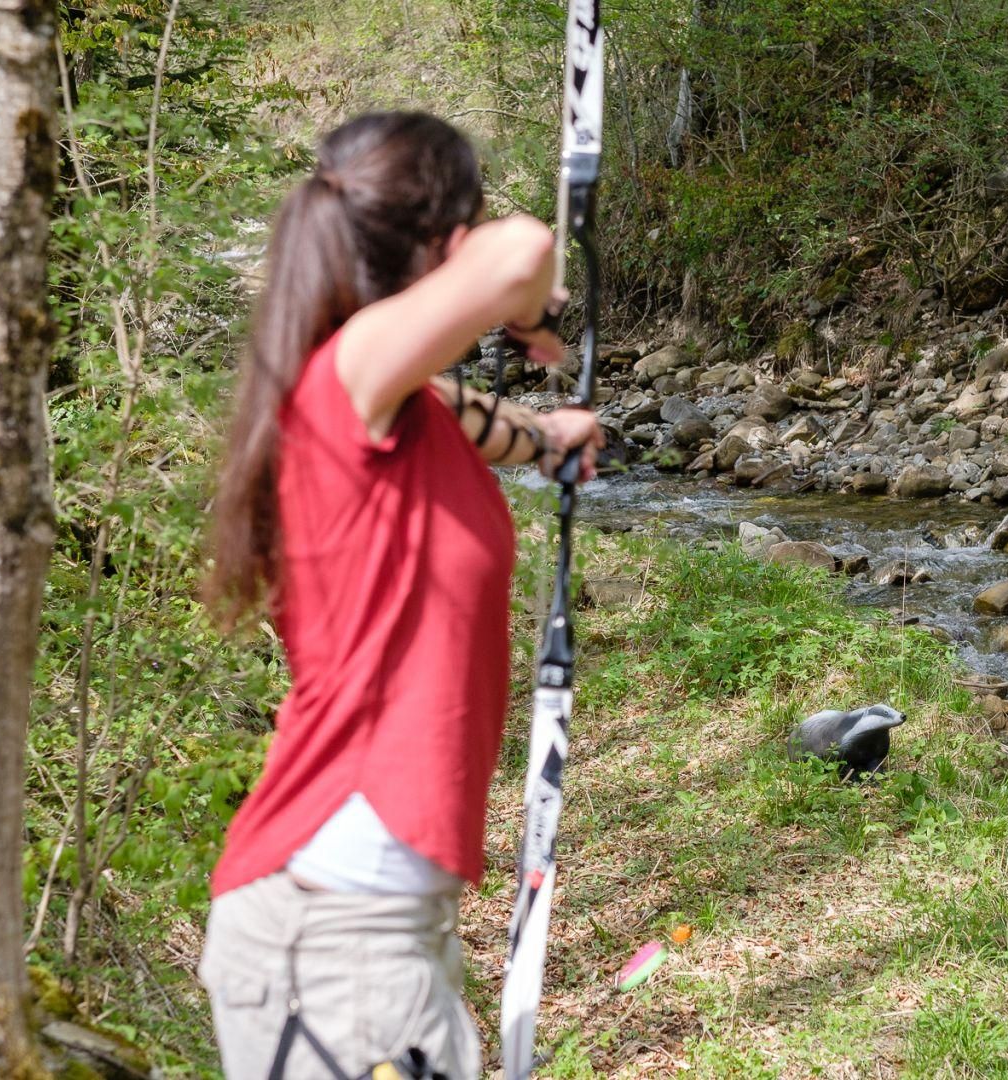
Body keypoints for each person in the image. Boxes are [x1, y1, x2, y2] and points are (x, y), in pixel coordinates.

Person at [198, 111, 603, 1080]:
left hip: (379, 928)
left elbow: (483, 418)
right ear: (440, 243)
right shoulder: (347, 373)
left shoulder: (399, 398)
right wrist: (523, 308)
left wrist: (550, 438)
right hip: (335, 930)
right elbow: (525, 251)